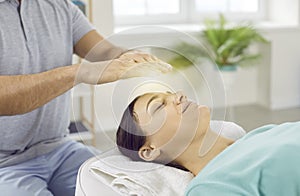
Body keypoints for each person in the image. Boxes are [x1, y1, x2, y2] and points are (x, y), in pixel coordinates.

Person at [0, 0, 170, 195]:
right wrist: (78, 73)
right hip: (4, 165)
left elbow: (105, 51)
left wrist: (128, 57)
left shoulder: (60, 6)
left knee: (127, 187)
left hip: (60, 148)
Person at [116, 91, 300, 196]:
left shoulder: (260, 134)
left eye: (171, 93)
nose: (178, 96)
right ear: (150, 151)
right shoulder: (210, 187)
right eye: (159, 106)